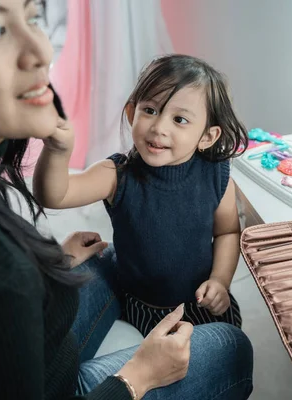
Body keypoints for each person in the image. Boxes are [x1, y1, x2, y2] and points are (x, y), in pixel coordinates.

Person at [0, 0, 254, 399]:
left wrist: (45, 263)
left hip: (45, 356)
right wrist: (137, 377)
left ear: (208, 136)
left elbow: (226, 230)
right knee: (231, 345)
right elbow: (51, 200)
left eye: (33, 16)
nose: (42, 49)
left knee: (104, 259)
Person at [34, 54, 249, 336]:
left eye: (180, 119)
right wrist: (57, 151)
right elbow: (55, 196)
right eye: (150, 110)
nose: (159, 128)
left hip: (197, 301)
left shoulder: (215, 174)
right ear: (131, 113)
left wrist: (220, 280)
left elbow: (228, 233)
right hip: (137, 302)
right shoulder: (117, 174)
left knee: (229, 344)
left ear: (207, 137)